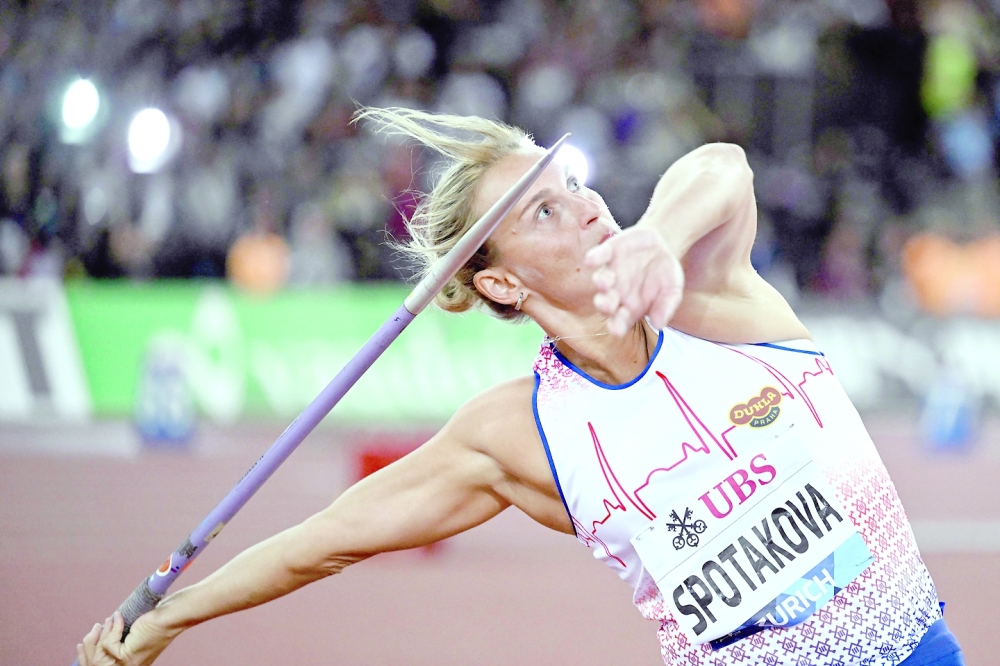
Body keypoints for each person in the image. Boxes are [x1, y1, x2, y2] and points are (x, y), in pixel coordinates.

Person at [78, 108, 964, 666]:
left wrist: (657, 234)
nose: (584, 205)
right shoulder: (519, 434)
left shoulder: (707, 297)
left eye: (571, 185)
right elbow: (328, 540)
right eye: (543, 209)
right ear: (501, 283)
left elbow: (724, 166)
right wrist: (171, 617)